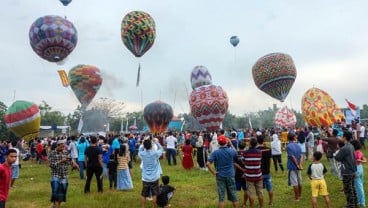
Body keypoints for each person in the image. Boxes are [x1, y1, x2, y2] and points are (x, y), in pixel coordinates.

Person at [206, 134, 239, 208]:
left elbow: (208, 164)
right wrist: (230, 144)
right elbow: (236, 153)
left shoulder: (215, 152)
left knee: (221, 198)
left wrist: (213, 172)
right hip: (230, 175)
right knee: (234, 195)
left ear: (218, 143)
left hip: (220, 175)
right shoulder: (231, 151)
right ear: (226, 142)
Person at [48, 139, 79, 208]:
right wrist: (60, 161)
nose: (63, 148)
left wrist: (74, 165)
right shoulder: (52, 153)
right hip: (55, 174)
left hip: (64, 174)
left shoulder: (66, 153)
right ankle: (54, 204)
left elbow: (69, 161)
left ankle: (58, 205)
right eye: (61, 147)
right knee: (55, 189)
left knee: (63, 189)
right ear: (57, 146)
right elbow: (51, 165)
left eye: (64, 147)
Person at [335, 131, 358, 208]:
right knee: (352, 188)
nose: (341, 137)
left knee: (348, 190)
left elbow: (337, 158)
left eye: (342, 136)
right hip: (352, 170)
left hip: (347, 171)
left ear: (344, 137)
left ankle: (350, 205)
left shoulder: (344, 148)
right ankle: (355, 203)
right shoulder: (351, 146)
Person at [138, 137, 164, 208]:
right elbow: (161, 149)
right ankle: (153, 206)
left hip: (145, 177)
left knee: (144, 194)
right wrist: (156, 142)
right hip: (154, 177)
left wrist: (143, 143)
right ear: (151, 146)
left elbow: (139, 150)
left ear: (145, 146)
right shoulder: (155, 154)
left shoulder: (142, 154)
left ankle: (143, 206)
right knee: (154, 194)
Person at [243, 138, 263, 208]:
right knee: (260, 192)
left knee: (251, 193)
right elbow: (260, 160)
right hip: (258, 174)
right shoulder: (259, 152)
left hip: (249, 175)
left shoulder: (245, 152)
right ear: (256, 144)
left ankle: (252, 206)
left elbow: (243, 161)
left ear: (250, 144)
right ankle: (261, 206)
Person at [257, 135, 273, 206]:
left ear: (257, 141)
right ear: (263, 141)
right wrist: (269, 167)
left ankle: (261, 205)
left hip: (259, 172)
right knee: (269, 187)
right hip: (267, 171)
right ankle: (271, 202)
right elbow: (270, 160)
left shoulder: (256, 150)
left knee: (260, 190)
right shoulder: (268, 149)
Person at [286, 132, 302, 202]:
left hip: (293, 166)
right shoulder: (298, 145)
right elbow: (301, 155)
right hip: (298, 166)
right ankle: (299, 195)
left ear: (288, 138)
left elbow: (292, 157)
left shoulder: (288, 146)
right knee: (299, 181)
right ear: (294, 137)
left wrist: (297, 165)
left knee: (294, 182)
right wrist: (300, 164)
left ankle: (296, 197)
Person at [351, 140, 366, 207]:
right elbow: (365, 161)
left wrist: (359, 160)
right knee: (359, 185)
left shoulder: (353, 153)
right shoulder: (360, 152)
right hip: (360, 168)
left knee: (358, 186)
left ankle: (361, 202)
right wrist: (361, 160)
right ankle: (360, 200)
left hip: (356, 169)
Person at [234, 141, 247, 207]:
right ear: (245, 146)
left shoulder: (235, 153)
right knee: (246, 190)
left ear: (238, 146)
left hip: (237, 174)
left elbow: (234, 163)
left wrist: (241, 169)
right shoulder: (247, 153)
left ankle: (236, 203)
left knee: (235, 190)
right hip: (246, 174)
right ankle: (244, 204)